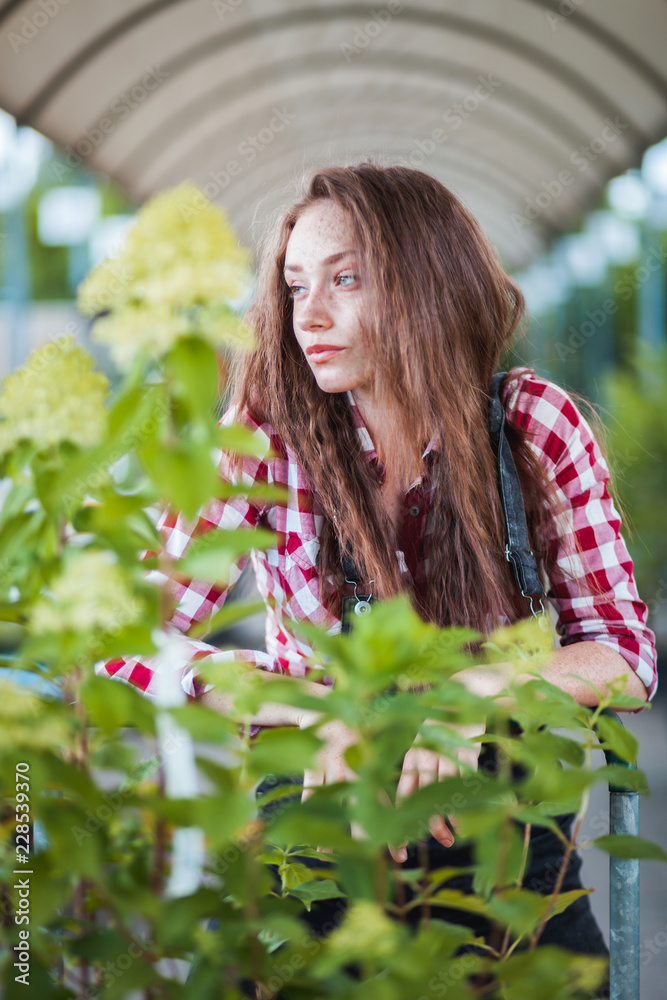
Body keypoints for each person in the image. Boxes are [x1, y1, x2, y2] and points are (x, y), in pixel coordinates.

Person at [98, 162, 657, 978]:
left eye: (345, 279)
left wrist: (466, 696)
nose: (308, 316)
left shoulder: (531, 426)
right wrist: (307, 707)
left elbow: (625, 656)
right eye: (294, 287)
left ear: (426, 284)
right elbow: (117, 636)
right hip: (323, 837)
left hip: (506, 846)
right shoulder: (267, 437)